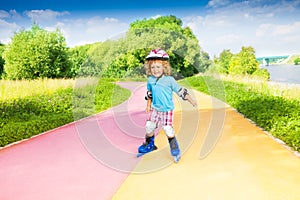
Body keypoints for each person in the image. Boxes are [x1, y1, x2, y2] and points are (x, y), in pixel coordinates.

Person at [137, 48, 197, 162]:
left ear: (164, 67)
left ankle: (175, 149)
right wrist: (148, 106)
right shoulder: (150, 80)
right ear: (149, 68)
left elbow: (180, 91)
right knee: (149, 127)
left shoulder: (169, 80)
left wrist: (191, 100)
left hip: (167, 110)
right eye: (153, 67)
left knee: (168, 129)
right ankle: (149, 145)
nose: (155, 70)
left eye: (158, 67)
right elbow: (150, 94)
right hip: (155, 109)